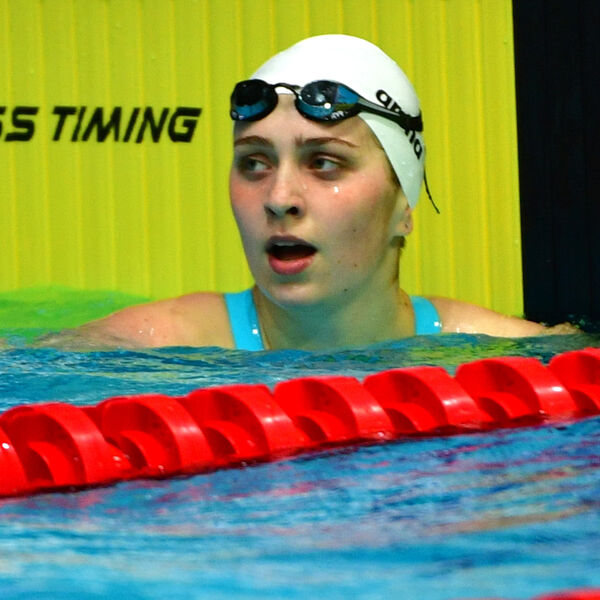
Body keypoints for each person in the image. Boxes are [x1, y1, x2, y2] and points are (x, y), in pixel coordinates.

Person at [39, 34, 576, 351]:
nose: (280, 197)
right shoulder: (139, 349)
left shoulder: (511, 355)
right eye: (254, 162)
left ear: (403, 206)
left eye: (324, 163)